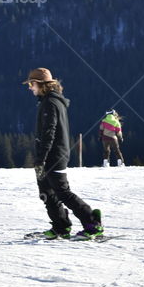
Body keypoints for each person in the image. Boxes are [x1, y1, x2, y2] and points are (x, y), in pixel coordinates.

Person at [25, 68, 103, 240]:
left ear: (41, 84)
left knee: (62, 192)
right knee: (46, 193)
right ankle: (60, 226)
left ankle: (92, 223)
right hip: (49, 156)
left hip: (53, 156)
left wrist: (41, 158)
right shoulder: (48, 101)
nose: (30, 87)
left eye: (32, 84)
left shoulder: (50, 103)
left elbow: (49, 132)